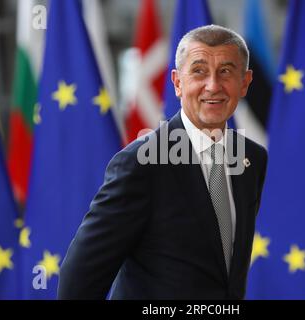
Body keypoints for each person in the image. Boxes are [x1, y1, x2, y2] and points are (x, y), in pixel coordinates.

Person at [57, 24, 268, 300]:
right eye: (199, 71)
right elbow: (77, 283)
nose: (213, 85)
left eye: (226, 71)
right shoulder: (140, 164)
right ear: (178, 83)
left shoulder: (252, 158)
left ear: (245, 82)